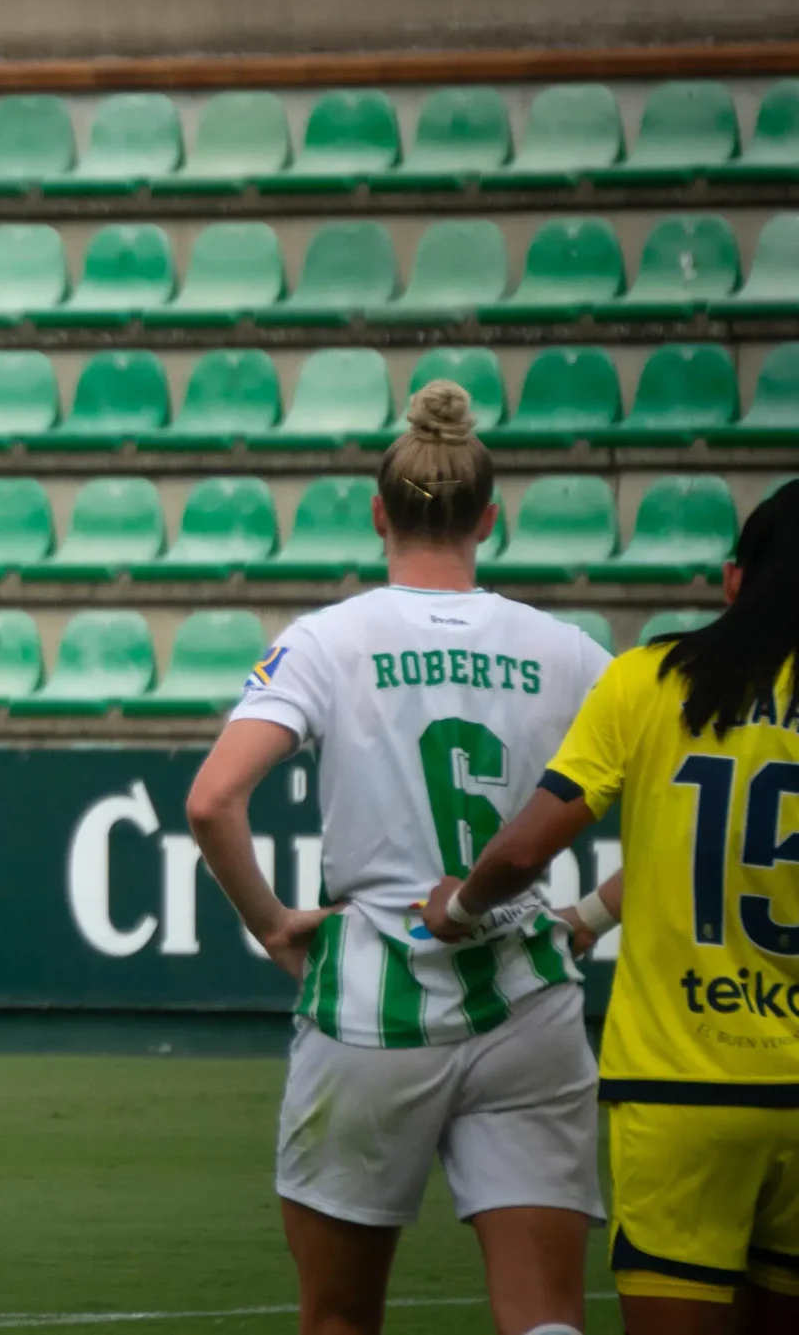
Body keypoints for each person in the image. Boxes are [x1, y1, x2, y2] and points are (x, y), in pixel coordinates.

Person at [183, 380, 607, 1335]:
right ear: (488, 519)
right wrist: (593, 912)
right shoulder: (573, 653)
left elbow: (212, 799)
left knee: (341, 1318)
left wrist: (271, 923)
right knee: (545, 1316)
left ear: (379, 513)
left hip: (375, 1003)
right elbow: (670, 803)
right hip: (529, 996)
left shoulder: (327, 642)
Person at [430, 481, 799, 1333]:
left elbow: (526, 847)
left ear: (733, 579)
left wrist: (460, 903)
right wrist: (591, 916)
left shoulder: (654, 678)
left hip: (685, 1089)